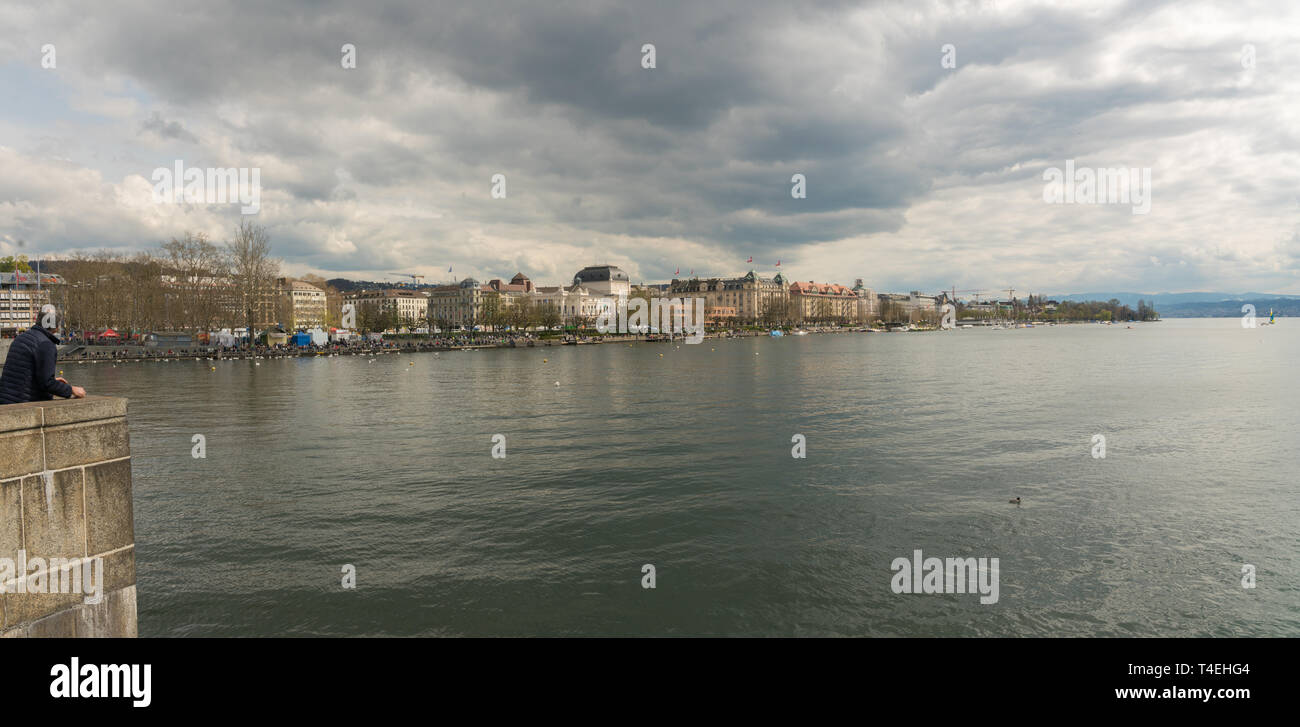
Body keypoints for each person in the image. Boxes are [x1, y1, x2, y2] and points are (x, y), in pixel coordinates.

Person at [0, 313, 86, 404]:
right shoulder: (45, 344)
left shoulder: (20, 338)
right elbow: (47, 384)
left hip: (5, 400)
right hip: (23, 402)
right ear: (55, 327)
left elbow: (20, 373)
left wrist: (53, 380)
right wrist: (71, 390)